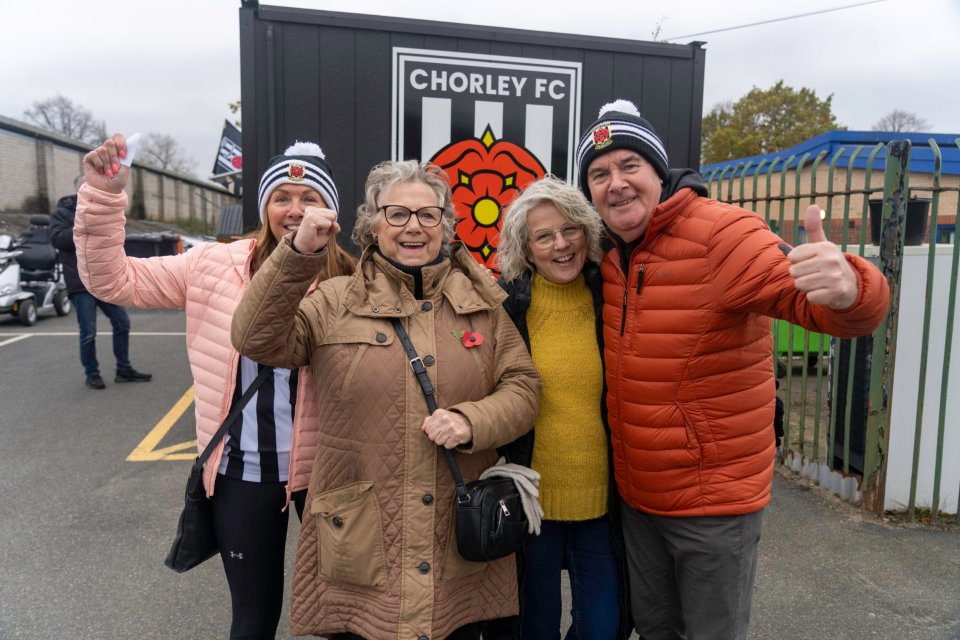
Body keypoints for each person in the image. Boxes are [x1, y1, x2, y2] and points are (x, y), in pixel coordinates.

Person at [574, 100, 891, 640]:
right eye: (599, 174)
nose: (616, 184)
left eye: (630, 166)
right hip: (637, 496)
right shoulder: (605, 253)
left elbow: (808, 300)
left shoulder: (723, 233)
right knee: (655, 629)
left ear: (659, 172)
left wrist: (852, 289)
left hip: (712, 501)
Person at [230, 160, 542, 640]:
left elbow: (523, 387)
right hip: (361, 538)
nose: (413, 226)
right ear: (371, 226)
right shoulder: (333, 301)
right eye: (396, 213)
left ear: (446, 226)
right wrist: (297, 255)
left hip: (453, 539)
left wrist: (472, 420)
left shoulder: (483, 302)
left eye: (428, 214)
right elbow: (254, 338)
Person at [74, 134, 357, 640]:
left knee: (347, 619)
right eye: (282, 198)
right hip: (242, 470)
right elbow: (112, 281)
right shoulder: (212, 265)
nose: (295, 210)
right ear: (264, 206)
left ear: (330, 210)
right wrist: (103, 194)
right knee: (253, 619)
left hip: (331, 474)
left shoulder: (353, 279)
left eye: (310, 197)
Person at [492, 176, 631, 640]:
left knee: (603, 628)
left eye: (570, 229)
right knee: (534, 628)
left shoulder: (610, 295)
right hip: (532, 508)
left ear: (587, 233)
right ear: (526, 249)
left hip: (601, 504)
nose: (561, 244)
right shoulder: (506, 307)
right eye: (544, 236)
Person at [49, 183, 151, 389]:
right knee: (88, 330)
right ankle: (92, 373)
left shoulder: (100, 210)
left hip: (105, 280)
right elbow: (57, 240)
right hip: (79, 282)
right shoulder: (63, 212)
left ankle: (124, 369)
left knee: (122, 322)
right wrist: (83, 226)